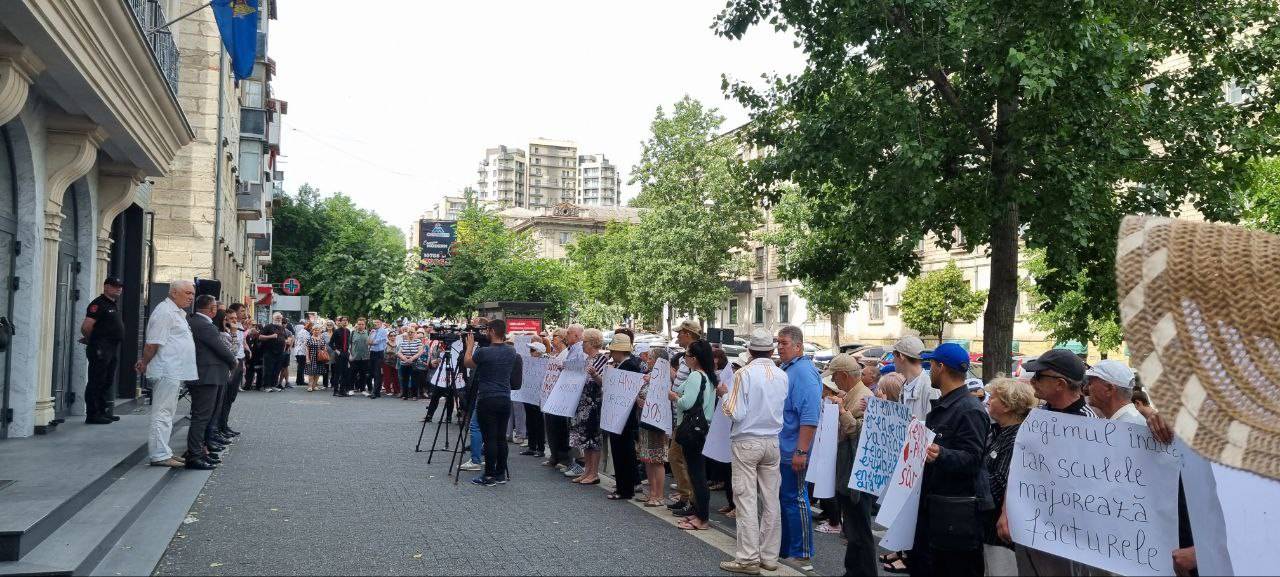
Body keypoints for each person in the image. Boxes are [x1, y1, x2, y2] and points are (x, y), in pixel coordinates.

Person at [912, 343, 989, 577]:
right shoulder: (948, 405)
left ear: (941, 367)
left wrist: (941, 454)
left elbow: (973, 459)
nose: (928, 370)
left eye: (931, 365)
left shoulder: (969, 409)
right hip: (938, 511)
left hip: (954, 518)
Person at [719, 328, 788, 576]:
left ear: (749, 350)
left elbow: (735, 413)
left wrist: (725, 398)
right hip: (772, 440)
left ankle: (748, 558)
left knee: (746, 500)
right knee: (771, 501)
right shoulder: (782, 375)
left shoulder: (743, 374)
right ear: (771, 350)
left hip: (747, 440)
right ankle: (769, 557)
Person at [135, 281, 197, 469]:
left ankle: (164, 451)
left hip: (174, 370)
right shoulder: (165, 312)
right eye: (187, 292)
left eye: (192, 293)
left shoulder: (176, 312)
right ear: (174, 293)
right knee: (162, 412)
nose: (191, 297)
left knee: (167, 413)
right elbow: (153, 343)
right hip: (166, 370)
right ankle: (159, 454)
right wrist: (144, 362)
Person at [825, 353, 877, 577]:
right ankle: (853, 571)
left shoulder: (864, 397)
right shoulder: (852, 394)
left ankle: (864, 572)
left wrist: (842, 411)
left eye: (835, 377)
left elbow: (858, 431)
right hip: (849, 468)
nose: (833, 383)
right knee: (852, 528)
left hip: (856, 471)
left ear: (844, 376)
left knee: (860, 528)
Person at [980, 377, 1037, 577]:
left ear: (1007, 405)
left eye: (993, 397)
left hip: (1001, 533)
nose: (987, 401)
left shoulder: (1016, 439)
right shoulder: (996, 432)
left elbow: (999, 483)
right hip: (987, 528)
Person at [776, 325, 820, 568]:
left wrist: (801, 451)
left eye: (784, 343)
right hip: (784, 449)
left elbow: (809, 417)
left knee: (796, 499)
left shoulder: (803, 372)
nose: (779, 347)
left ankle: (802, 554)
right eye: (778, 342)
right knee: (786, 499)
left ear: (798, 346)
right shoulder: (789, 369)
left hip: (794, 450)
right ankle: (787, 549)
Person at [463, 319, 522, 487]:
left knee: (489, 438)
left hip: (487, 398)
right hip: (504, 398)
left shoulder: (483, 352)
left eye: (487, 330)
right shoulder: (511, 351)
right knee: (500, 438)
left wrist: (469, 347)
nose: (485, 333)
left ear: (492, 331)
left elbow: (468, 363)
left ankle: (489, 476)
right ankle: (500, 474)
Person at [183, 295, 236, 471]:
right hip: (206, 376)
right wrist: (233, 362)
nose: (217, 310)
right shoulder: (204, 325)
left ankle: (201, 450)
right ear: (211, 309)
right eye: (215, 307)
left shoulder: (193, 321)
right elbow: (221, 349)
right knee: (202, 417)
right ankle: (195, 455)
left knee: (204, 415)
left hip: (206, 374)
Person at [671, 339, 717, 531]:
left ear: (695, 358)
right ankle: (698, 513)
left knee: (696, 475)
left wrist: (674, 397)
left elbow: (686, 402)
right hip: (703, 428)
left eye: (687, 355)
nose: (685, 359)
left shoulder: (696, 377)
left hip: (692, 430)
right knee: (697, 473)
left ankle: (702, 518)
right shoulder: (708, 376)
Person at [600, 331, 646, 500]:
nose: (611, 354)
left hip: (623, 416)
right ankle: (625, 486)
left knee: (623, 452)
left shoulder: (628, 366)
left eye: (613, 351)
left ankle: (624, 489)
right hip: (621, 415)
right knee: (623, 451)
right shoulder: (629, 363)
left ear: (619, 351)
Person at [667, 319, 702, 514]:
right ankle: (685, 496)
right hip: (679, 415)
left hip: (688, 418)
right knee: (678, 457)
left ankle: (689, 498)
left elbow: (692, 387)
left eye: (680, 333)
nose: (677, 336)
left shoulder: (693, 358)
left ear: (688, 334)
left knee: (680, 457)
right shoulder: (683, 358)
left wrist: (676, 396)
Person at [80, 276, 126, 424]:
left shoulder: (112, 304)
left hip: (111, 348)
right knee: (96, 380)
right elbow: (86, 327)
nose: (118, 288)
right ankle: (93, 414)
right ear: (106, 287)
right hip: (100, 348)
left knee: (107, 381)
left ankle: (103, 411)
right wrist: (93, 342)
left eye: (120, 286)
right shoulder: (98, 304)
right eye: (114, 286)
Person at [571, 329, 608, 485]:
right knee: (584, 439)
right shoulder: (585, 359)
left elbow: (604, 383)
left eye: (584, 342)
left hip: (594, 404)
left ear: (592, 343)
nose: (582, 345)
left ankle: (594, 473)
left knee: (594, 439)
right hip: (582, 404)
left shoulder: (602, 360)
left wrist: (594, 375)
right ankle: (587, 470)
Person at [635, 345, 670, 506]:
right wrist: (638, 400)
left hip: (658, 423)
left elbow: (665, 396)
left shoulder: (665, 376)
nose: (647, 360)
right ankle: (652, 493)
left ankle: (659, 494)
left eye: (650, 358)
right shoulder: (648, 375)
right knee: (647, 458)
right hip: (644, 420)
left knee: (657, 459)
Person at [545, 325, 581, 470]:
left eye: (569, 334)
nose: (567, 337)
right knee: (553, 426)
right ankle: (556, 456)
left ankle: (566, 458)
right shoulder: (560, 353)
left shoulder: (570, 352)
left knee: (562, 428)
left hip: (564, 394)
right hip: (554, 394)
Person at [218, 303, 247, 438]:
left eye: (236, 318)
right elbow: (233, 350)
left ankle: (224, 425)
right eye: (232, 318)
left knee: (230, 397)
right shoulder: (226, 332)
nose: (235, 320)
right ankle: (220, 427)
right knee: (224, 398)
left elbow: (240, 347)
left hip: (239, 362)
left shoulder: (239, 327)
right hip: (230, 365)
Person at [1084, 360, 1144, 425]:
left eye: (1090, 383)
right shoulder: (1124, 421)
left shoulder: (1128, 426)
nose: (1085, 388)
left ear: (1109, 389)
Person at [894, 335, 935, 421]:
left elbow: (933, 428)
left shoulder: (929, 388)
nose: (893, 360)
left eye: (894, 355)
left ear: (901, 356)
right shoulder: (906, 385)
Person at [256, 313, 289, 392]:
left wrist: (286, 343)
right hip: (269, 352)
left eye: (280, 318)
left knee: (277, 369)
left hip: (280, 352)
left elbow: (285, 338)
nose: (278, 319)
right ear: (273, 318)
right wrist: (271, 336)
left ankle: (273, 385)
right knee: (268, 369)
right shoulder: (268, 326)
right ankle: (266, 386)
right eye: (277, 318)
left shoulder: (282, 328)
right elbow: (260, 336)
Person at [396, 328, 423, 400]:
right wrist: (405, 358)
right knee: (404, 380)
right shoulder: (404, 342)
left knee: (415, 380)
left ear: (415, 333)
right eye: (409, 332)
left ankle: (414, 395)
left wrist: (412, 358)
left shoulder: (418, 341)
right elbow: (399, 352)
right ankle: (405, 395)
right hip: (404, 363)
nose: (410, 333)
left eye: (412, 332)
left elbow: (420, 352)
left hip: (414, 363)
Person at [329, 316, 352, 397]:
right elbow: (330, 343)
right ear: (340, 322)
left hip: (346, 353)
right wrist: (336, 350)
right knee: (338, 372)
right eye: (343, 320)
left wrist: (349, 353)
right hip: (339, 353)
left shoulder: (348, 331)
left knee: (345, 373)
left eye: (346, 320)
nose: (345, 322)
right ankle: (335, 391)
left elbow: (349, 343)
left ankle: (343, 391)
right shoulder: (337, 331)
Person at [368, 319, 388, 399]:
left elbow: (375, 341)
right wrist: (371, 340)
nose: (375, 324)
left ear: (381, 324)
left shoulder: (382, 331)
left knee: (377, 373)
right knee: (373, 372)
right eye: (374, 323)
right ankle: (377, 392)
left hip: (379, 353)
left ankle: (375, 392)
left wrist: (371, 341)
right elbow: (368, 341)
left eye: (377, 322)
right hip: (372, 352)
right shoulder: (373, 331)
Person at [305, 325, 326, 391]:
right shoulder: (309, 339)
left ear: (320, 331)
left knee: (318, 372)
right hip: (312, 357)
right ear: (312, 331)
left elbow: (324, 348)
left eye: (318, 330)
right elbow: (307, 349)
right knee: (311, 372)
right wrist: (307, 358)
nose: (316, 331)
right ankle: (310, 386)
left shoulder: (322, 339)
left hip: (320, 358)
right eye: (315, 330)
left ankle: (315, 385)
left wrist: (324, 351)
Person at [292, 317, 309, 389]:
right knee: (301, 367)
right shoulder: (305, 332)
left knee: (300, 366)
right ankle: (300, 380)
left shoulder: (300, 330)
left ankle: (299, 380)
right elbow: (306, 342)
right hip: (301, 352)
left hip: (298, 351)